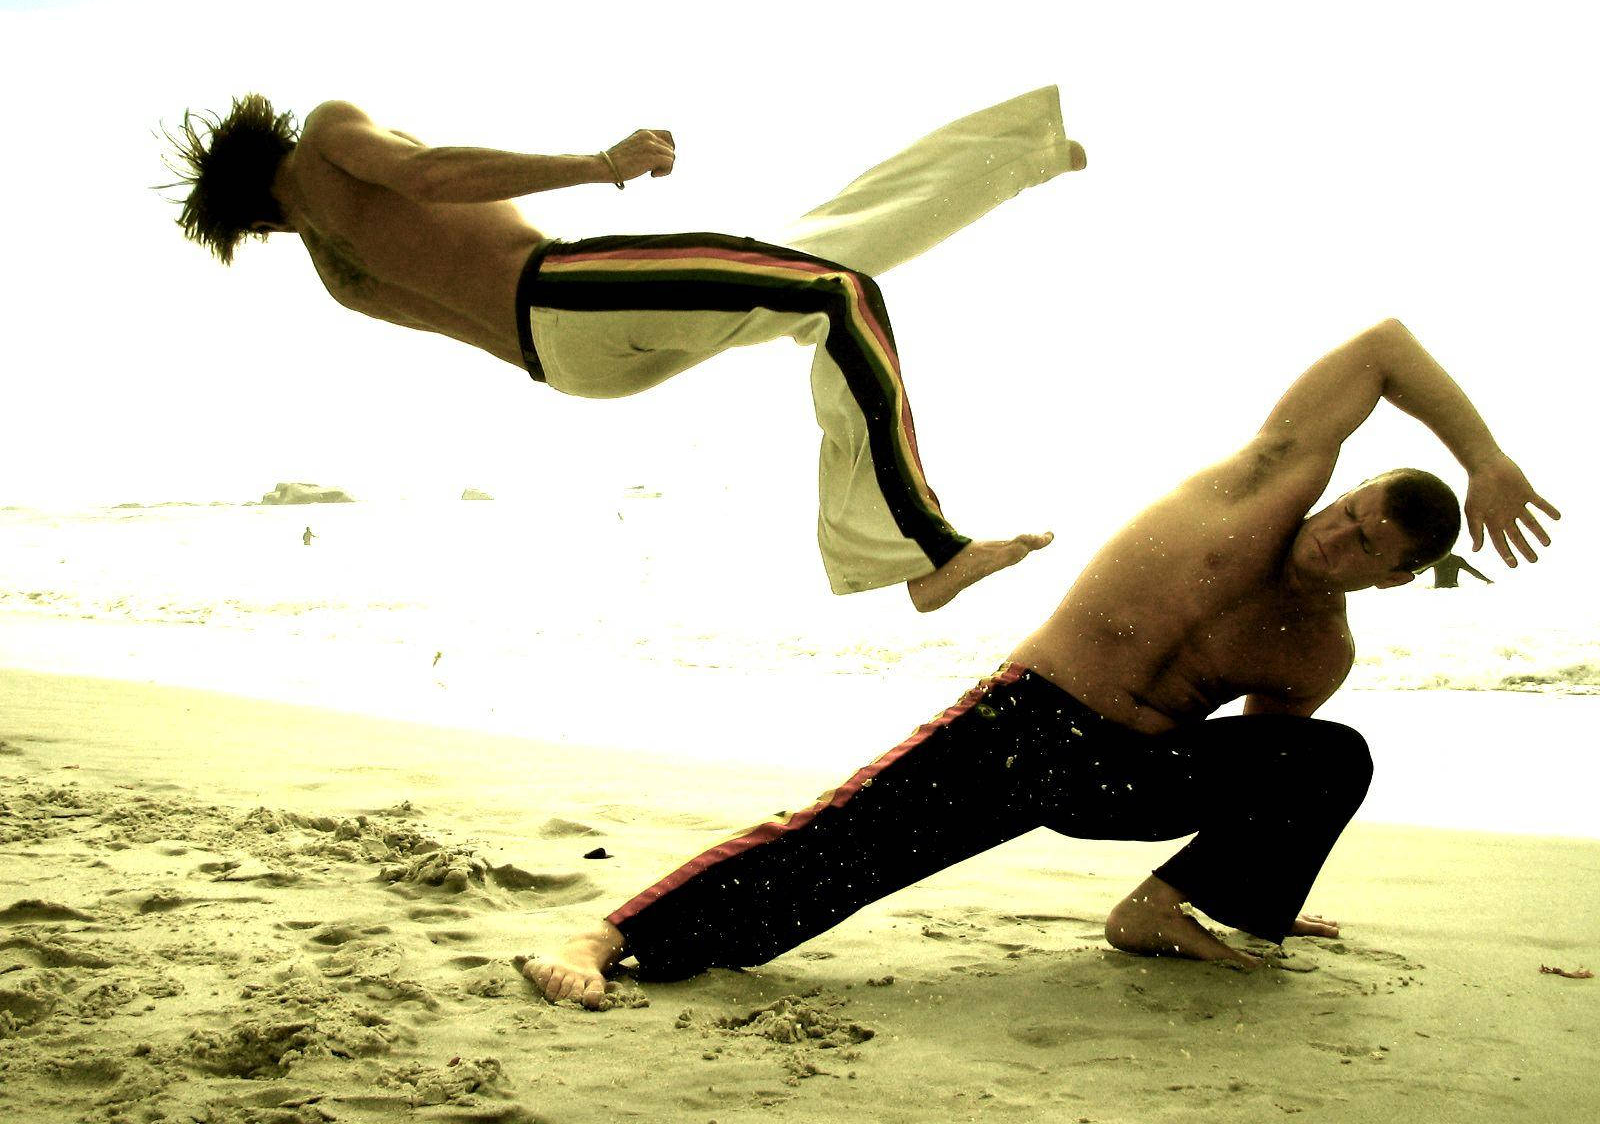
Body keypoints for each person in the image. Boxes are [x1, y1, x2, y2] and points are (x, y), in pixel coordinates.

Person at [517, 317, 1560, 1008]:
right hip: (1023, 726)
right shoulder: (1256, 487)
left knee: (1334, 757)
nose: (1338, 537)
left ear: (1399, 575)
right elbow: (1382, 348)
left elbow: (1261, 772)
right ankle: (606, 939)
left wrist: (1251, 877)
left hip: (1126, 776)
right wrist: (1485, 459)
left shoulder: (1318, 648)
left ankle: (1163, 911)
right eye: (1350, 513)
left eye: (1369, 546)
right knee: (836, 847)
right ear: (1337, 489)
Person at [161, 89, 1085, 610]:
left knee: (808, 260)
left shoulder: (335, 274)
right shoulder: (323, 138)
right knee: (836, 294)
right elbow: (430, 173)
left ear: (251, 217)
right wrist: (601, 165)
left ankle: (1022, 151)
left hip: (569, 366)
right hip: (564, 288)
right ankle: (920, 554)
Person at [1427, 553, 1492, 588]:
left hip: (1439, 589)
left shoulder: (1436, 560)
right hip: (1453, 588)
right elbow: (1473, 571)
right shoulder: (1457, 559)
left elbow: (1419, 571)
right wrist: (1487, 580)